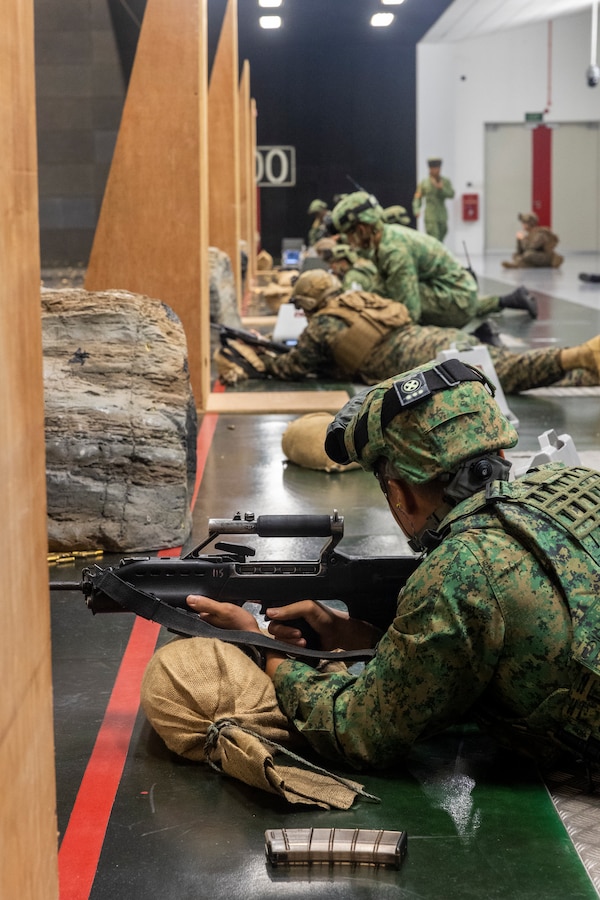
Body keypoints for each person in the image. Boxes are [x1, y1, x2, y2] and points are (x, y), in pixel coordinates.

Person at [142, 360, 600, 775]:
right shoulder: (575, 485)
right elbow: (473, 657)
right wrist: (350, 636)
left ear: (399, 493)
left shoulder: (461, 571)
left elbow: (359, 732)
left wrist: (262, 646)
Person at [215, 270, 600, 393]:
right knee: (506, 373)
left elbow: (292, 368)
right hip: (432, 339)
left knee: (510, 374)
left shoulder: (322, 327)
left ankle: (579, 355)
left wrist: (261, 356)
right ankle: (585, 372)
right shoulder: (357, 300)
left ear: (310, 303)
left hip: (431, 359)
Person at [331, 191, 537, 327]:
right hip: (458, 292)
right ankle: (511, 300)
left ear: (362, 228)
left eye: (350, 234)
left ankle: (469, 340)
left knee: (393, 299)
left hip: (459, 300)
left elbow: (409, 313)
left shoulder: (393, 251)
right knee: (380, 293)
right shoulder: (385, 240)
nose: (350, 241)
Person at [412, 157, 455, 242]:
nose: (437, 170)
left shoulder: (445, 181)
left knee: (442, 236)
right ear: (430, 169)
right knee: (434, 239)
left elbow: (451, 194)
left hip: (442, 215)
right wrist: (416, 209)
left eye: (438, 168)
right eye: (434, 168)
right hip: (430, 216)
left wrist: (441, 189)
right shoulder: (424, 182)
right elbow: (417, 197)